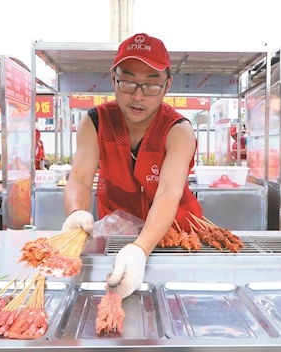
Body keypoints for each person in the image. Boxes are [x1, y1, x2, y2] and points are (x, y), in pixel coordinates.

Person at [61, 33, 204, 299]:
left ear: (168, 85)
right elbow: (79, 179)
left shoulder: (178, 129)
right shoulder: (96, 122)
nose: (138, 96)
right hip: (117, 238)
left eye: (151, 86)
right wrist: (76, 212)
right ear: (113, 77)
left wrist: (141, 249)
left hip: (175, 239)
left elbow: (168, 192)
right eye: (127, 83)